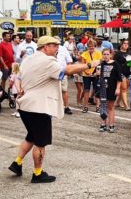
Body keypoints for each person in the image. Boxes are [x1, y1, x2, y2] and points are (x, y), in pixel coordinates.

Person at [8, 36, 100, 183]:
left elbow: (18, 75)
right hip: (39, 107)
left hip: (25, 106)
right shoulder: (47, 61)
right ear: (45, 47)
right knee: (40, 143)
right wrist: (90, 64)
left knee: (31, 136)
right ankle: (37, 173)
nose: (57, 48)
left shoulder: (29, 59)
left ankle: (17, 163)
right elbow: (68, 70)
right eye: (54, 45)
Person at [97, 48, 122, 133]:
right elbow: (97, 74)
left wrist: (118, 88)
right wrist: (96, 74)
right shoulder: (101, 64)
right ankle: (103, 124)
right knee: (103, 106)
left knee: (111, 107)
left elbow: (119, 78)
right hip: (103, 88)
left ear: (111, 55)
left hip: (112, 88)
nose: (106, 56)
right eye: (104, 54)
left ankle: (111, 124)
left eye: (107, 54)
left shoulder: (116, 64)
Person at [81, 39, 102, 113]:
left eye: (92, 46)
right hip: (86, 74)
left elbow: (100, 64)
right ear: (87, 46)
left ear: (95, 46)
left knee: (97, 90)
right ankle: (86, 106)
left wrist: (97, 72)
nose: (91, 48)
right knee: (86, 90)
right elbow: (83, 65)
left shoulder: (99, 54)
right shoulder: (84, 54)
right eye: (89, 46)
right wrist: (87, 72)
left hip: (96, 74)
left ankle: (98, 106)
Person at [54, 36, 73, 115]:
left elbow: (69, 61)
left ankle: (66, 107)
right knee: (53, 91)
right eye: (55, 42)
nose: (57, 44)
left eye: (58, 42)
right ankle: (54, 108)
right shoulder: (49, 49)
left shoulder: (63, 49)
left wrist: (68, 72)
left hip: (62, 72)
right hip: (52, 73)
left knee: (64, 90)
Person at [114, 39, 131, 110]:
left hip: (128, 72)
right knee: (124, 89)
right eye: (124, 43)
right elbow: (115, 64)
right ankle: (126, 105)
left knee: (125, 89)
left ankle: (117, 102)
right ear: (121, 44)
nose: (126, 45)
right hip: (120, 72)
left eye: (127, 44)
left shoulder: (129, 53)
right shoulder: (118, 53)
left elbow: (130, 64)